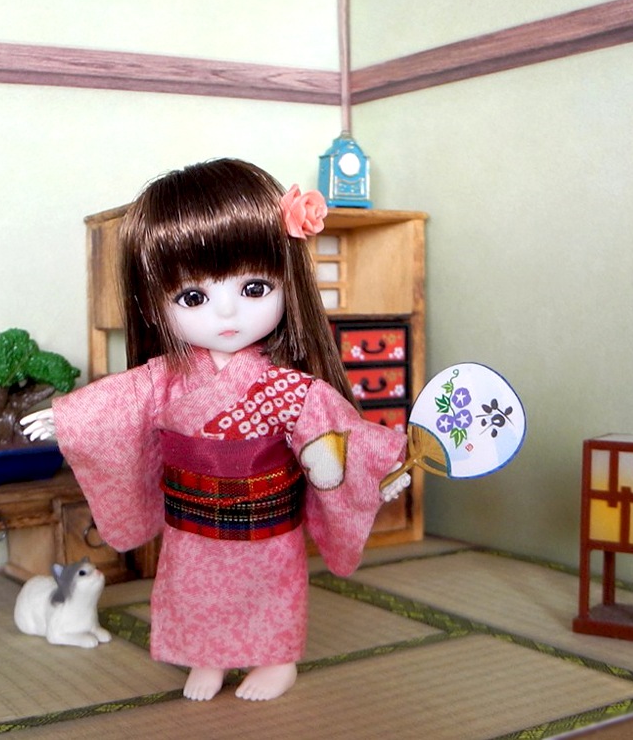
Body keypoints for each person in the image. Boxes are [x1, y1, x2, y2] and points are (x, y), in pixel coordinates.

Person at [22, 158, 410, 702]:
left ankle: (276, 661)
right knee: (192, 588)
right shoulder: (166, 378)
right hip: (193, 524)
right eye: (193, 298)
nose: (227, 312)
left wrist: (378, 468)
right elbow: (116, 405)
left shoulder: (288, 387)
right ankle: (207, 659)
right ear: (153, 302)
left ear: (287, 282)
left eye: (255, 288)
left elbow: (337, 433)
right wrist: (67, 420)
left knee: (272, 588)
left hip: (267, 524)